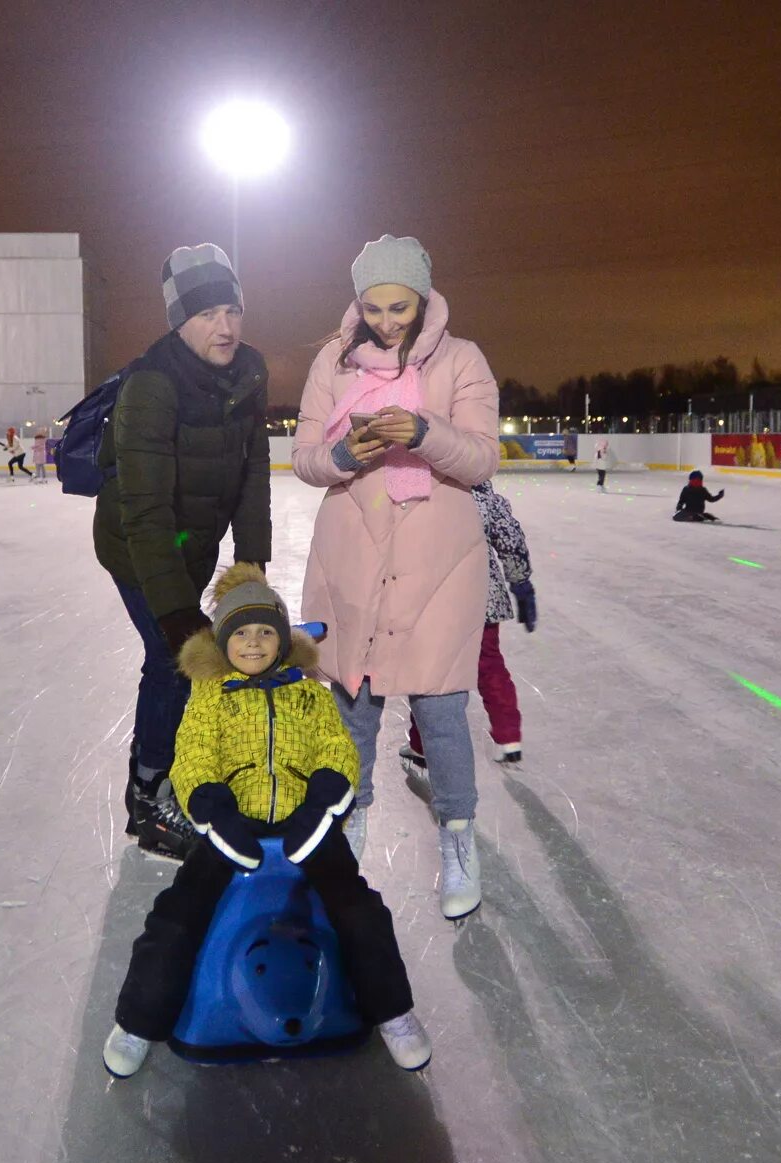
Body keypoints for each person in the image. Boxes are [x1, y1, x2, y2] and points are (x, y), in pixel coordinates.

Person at [101, 564, 430, 1077]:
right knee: (176, 913)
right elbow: (192, 757)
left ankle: (393, 1013)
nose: (254, 643)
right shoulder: (208, 697)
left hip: (306, 824)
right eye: (242, 633)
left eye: (265, 631)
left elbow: (337, 750)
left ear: (281, 638)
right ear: (223, 639)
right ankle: (139, 1021)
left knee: (359, 909)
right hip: (231, 826)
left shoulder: (309, 692)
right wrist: (212, 811)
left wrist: (322, 805)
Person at [292, 235, 500, 920]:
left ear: (423, 296)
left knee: (440, 712)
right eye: (374, 307)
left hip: (437, 563)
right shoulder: (333, 360)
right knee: (352, 706)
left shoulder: (463, 359)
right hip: (351, 553)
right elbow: (305, 457)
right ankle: (348, 828)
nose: (386, 320)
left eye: (400, 306)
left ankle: (458, 839)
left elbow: (479, 459)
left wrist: (422, 430)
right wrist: (346, 451)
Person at [94, 244, 271, 860]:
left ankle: (177, 771)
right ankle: (148, 796)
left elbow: (255, 471)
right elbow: (145, 515)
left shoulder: (246, 371)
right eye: (206, 316)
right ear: (178, 322)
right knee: (173, 659)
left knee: (180, 656)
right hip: (140, 545)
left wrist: (252, 565)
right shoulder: (152, 385)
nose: (225, 328)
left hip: (193, 543)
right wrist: (174, 614)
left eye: (232, 310)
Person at [400, 480, 535, 770]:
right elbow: (511, 541)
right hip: (482, 599)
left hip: (435, 603)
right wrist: (521, 581)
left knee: (430, 675)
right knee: (490, 667)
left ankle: (421, 744)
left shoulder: (423, 490)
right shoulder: (484, 495)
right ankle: (509, 736)